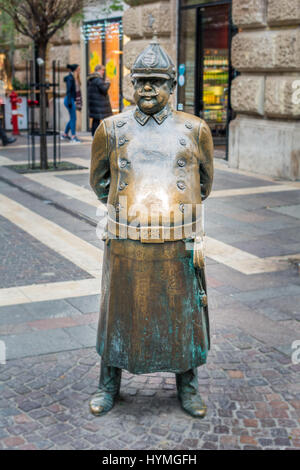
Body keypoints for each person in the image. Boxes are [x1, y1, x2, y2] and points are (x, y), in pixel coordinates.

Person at [89, 39, 214, 418]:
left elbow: (205, 182)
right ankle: (107, 384)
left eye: (156, 81)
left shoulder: (194, 129)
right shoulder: (112, 128)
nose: (147, 88)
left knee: (183, 314)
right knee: (118, 313)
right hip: (126, 239)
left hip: (177, 239)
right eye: (140, 80)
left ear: (171, 86)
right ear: (131, 83)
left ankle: (188, 386)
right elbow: (99, 181)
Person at [87, 64, 112, 136]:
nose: (103, 72)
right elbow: (104, 90)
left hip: (95, 104)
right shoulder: (98, 79)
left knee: (96, 120)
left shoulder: (92, 79)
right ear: (98, 70)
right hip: (100, 104)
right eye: (102, 70)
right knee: (104, 120)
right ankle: (102, 135)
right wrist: (108, 83)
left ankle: (94, 135)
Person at [61, 64, 81, 143]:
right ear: (75, 70)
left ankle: (65, 134)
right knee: (73, 119)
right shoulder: (70, 78)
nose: (80, 70)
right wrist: (70, 102)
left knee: (72, 119)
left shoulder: (75, 78)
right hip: (69, 100)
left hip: (72, 100)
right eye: (78, 69)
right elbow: (68, 91)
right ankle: (73, 137)